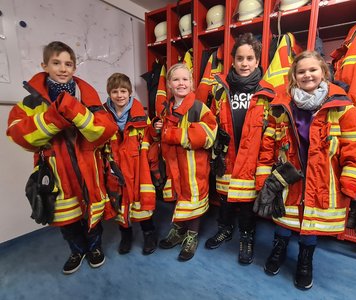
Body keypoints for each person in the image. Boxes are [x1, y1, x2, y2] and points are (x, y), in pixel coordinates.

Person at [254, 50, 356, 289]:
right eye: (301, 71)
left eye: (312, 70)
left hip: (323, 178)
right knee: (284, 218)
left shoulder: (342, 106)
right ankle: (280, 249)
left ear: (324, 72)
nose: (307, 75)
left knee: (311, 223)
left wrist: (349, 183)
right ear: (293, 76)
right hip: (289, 176)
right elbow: (268, 144)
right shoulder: (281, 107)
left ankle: (305, 261)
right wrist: (263, 178)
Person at [6, 41, 118, 274]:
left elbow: (105, 130)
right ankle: (77, 251)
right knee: (67, 219)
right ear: (44, 65)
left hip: (88, 166)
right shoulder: (31, 102)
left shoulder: (87, 95)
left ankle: (95, 248)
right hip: (56, 172)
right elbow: (19, 135)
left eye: (68, 64)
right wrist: (54, 116)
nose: (63, 68)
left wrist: (74, 110)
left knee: (91, 213)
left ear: (75, 68)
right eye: (56, 63)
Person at [204, 32, 275, 265]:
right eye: (240, 58)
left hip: (251, 160)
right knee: (225, 199)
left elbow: (270, 133)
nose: (244, 63)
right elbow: (212, 122)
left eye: (250, 58)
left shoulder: (267, 93)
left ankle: (247, 236)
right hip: (227, 158)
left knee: (246, 205)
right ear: (232, 61)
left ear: (257, 62)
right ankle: (224, 229)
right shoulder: (221, 90)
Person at [153, 63, 217, 261]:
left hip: (194, 168)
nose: (181, 83)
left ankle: (192, 236)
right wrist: (156, 128)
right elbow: (159, 136)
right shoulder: (166, 109)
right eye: (176, 80)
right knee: (179, 198)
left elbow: (208, 135)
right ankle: (179, 231)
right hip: (173, 167)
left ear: (191, 84)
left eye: (185, 79)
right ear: (170, 85)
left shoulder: (199, 108)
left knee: (193, 201)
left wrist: (171, 133)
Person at [103, 73, 157, 255]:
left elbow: (151, 140)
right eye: (115, 91)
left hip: (138, 169)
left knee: (142, 205)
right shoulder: (102, 117)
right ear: (109, 93)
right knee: (120, 205)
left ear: (130, 92)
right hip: (115, 169)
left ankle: (149, 235)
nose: (120, 95)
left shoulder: (141, 116)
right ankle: (125, 236)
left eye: (123, 91)